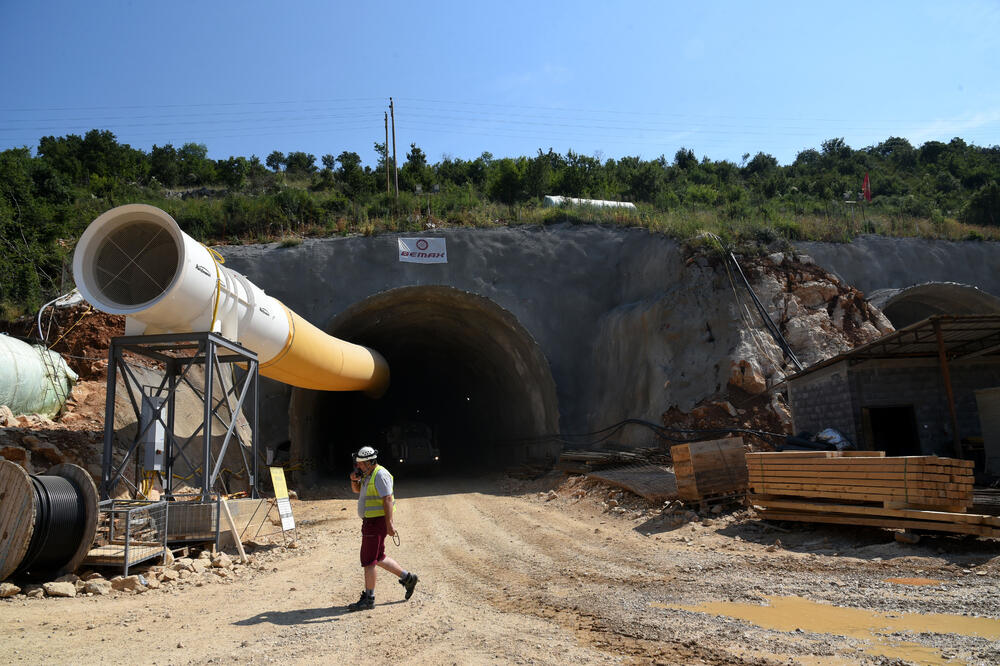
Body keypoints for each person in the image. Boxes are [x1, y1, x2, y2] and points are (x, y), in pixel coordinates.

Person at [346, 445, 419, 611]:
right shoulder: (367, 474)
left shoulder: (380, 474)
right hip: (370, 522)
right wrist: (353, 480)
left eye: (361, 464)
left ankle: (369, 598)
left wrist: (389, 524)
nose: (358, 466)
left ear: (371, 462)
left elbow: (387, 499)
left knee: (368, 561)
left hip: (375, 523)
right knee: (378, 557)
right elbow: (357, 490)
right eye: (358, 463)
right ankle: (408, 578)